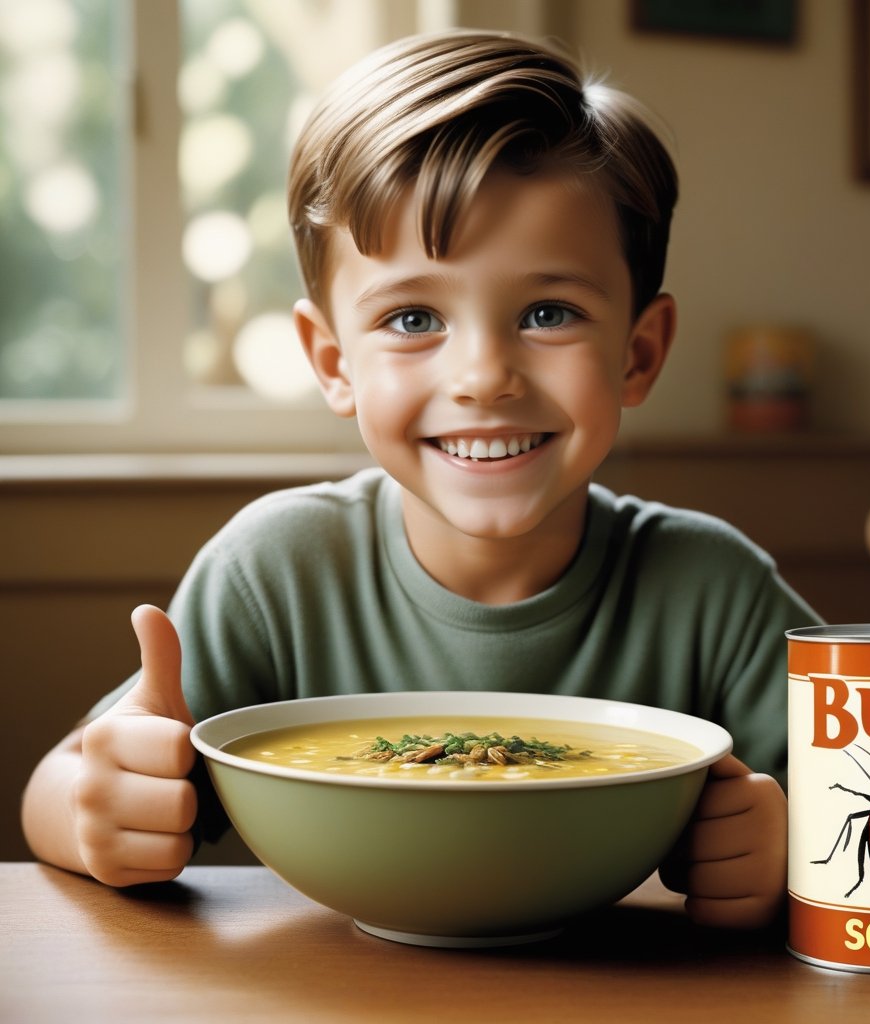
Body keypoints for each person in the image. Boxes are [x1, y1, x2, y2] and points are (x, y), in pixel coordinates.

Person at [21, 29, 820, 929]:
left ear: (638, 353)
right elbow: (66, 783)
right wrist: (100, 811)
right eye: (412, 317)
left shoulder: (717, 590)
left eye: (548, 312)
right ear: (333, 361)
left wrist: (787, 845)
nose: (483, 376)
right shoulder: (275, 572)